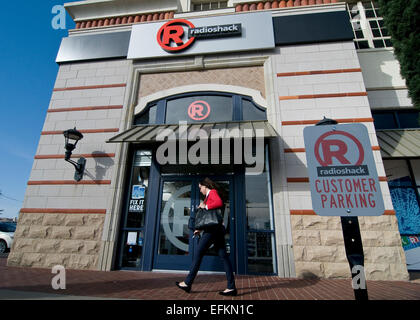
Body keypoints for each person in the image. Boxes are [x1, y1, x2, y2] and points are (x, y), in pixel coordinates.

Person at [176, 178, 237, 296]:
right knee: (223, 256)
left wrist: (205, 207)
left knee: (198, 253)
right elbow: (208, 219)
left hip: (212, 230)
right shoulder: (208, 197)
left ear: (205, 186)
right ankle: (231, 287)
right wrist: (199, 229)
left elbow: (219, 203)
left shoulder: (212, 192)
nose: (200, 190)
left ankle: (188, 283)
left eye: (200, 188)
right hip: (216, 229)